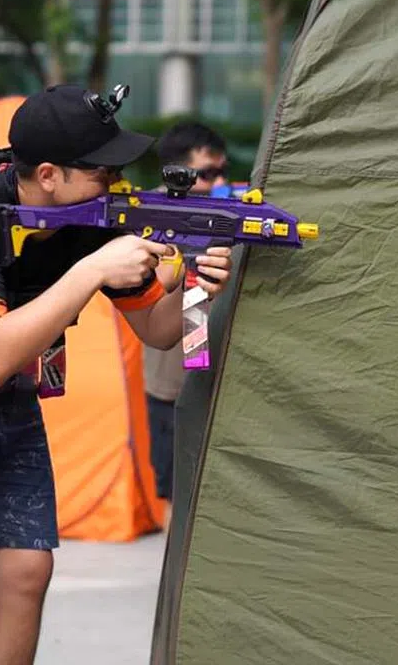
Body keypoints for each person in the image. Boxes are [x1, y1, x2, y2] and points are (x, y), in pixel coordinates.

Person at [0, 85, 232, 665]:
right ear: (50, 175)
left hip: (6, 394)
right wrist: (90, 271)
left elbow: (159, 332)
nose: (115, 180)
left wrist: (194, 283)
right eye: (102, 169)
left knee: (28, 568)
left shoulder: (96, 213)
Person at [141, 122, 229, 525]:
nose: (219, 182)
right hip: (170, 383)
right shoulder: (149, 217)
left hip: (214, 380)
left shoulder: (222, 213)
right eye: (207, 174)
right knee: (178, 495)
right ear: (178, 173)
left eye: (220, 172)